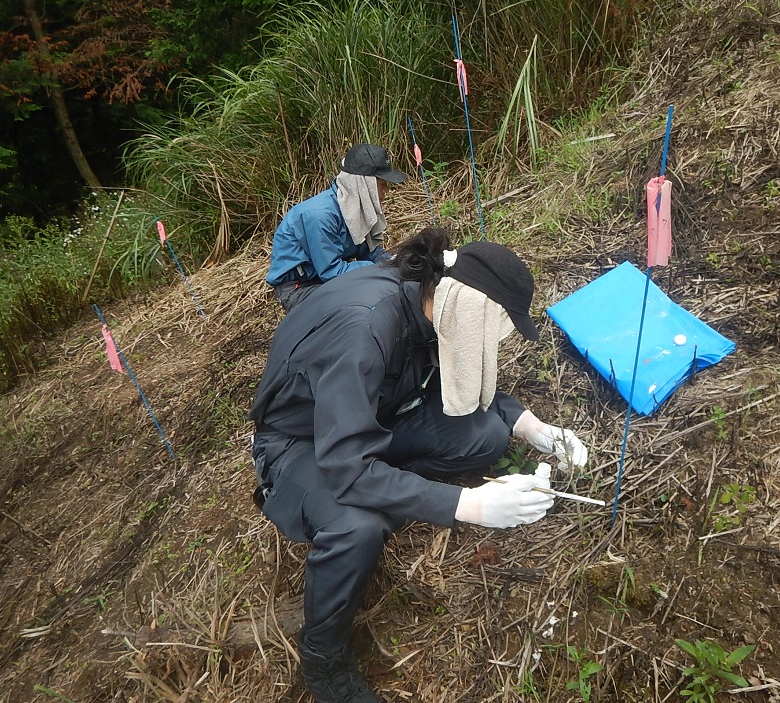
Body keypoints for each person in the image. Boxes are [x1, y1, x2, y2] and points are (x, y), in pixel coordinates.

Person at [248, 227, 590, 703]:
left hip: (377, 417)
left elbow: (450, 378)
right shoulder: (365, 328)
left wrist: (531, 426)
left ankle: (393, 488)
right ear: (472, 312)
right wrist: (465, 504)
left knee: (486, 433)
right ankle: (322, 658)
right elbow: (345, 464)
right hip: (301, 442)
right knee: (356, 527)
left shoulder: (434, 301)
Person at [265, 143, 407, 313]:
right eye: (382, 184)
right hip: (299, 288)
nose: (386, 192)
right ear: (363, 185)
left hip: (327, 281)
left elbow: (369, 251)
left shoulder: (355, 208)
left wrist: (396, 262)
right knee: (365, 304)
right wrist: (379, 269)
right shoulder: (320, 215)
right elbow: (331, 272)